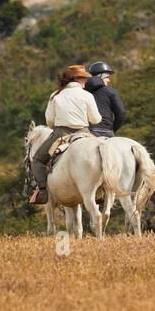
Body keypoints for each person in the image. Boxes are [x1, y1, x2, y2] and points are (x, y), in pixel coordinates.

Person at [29, 65, 101, 204]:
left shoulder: (56, 95)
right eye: (84, 79)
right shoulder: (87, 95)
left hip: (61, 133)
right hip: (85, 132)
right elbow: (96, 119)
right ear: (76, 79)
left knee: (37, 160)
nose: (86, 82)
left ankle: (43, 191)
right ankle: (101, 191)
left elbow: (49, 120)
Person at [85, 61, 126, 138]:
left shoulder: (82, 91)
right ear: (100, 76)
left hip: (88, 132)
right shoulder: (111, 91)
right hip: (107, 132)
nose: (109, 80)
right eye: (107, 77)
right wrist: (112, 129)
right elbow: (121, 113)